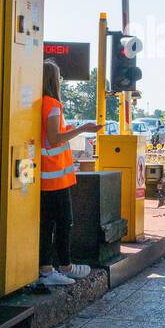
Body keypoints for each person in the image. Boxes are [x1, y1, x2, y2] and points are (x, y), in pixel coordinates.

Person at [38, 60, 96, 287]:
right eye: (58, 77)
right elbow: (54, 139)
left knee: (47, 224)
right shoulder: (52, 104)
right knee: (64, 222)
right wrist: (82, 129)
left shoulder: (39, 103)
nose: (60, 81)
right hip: (55, 177)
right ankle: (64, 267)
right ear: (53, 79)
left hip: (45, 175)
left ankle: (48, 269)